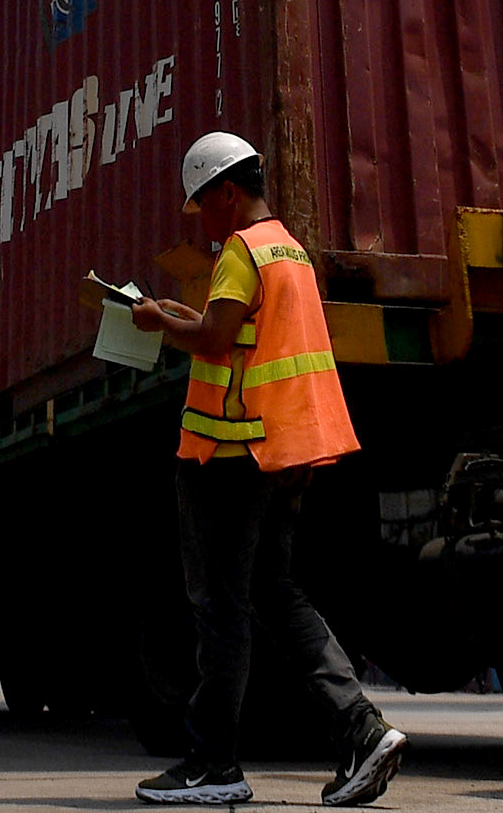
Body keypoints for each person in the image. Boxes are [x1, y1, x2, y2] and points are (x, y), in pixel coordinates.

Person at [124, 131, 406, 810]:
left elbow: (218, 341)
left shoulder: (240, 253)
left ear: (228, 190)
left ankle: (214, 763)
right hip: (278, 453)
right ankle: (364, 729)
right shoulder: (289, 251)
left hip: (224, 458)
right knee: (278, 596)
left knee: (220, 612)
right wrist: (185, 317)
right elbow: (249, 336)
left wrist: (157, 322)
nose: (202, 218)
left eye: (204, 203)